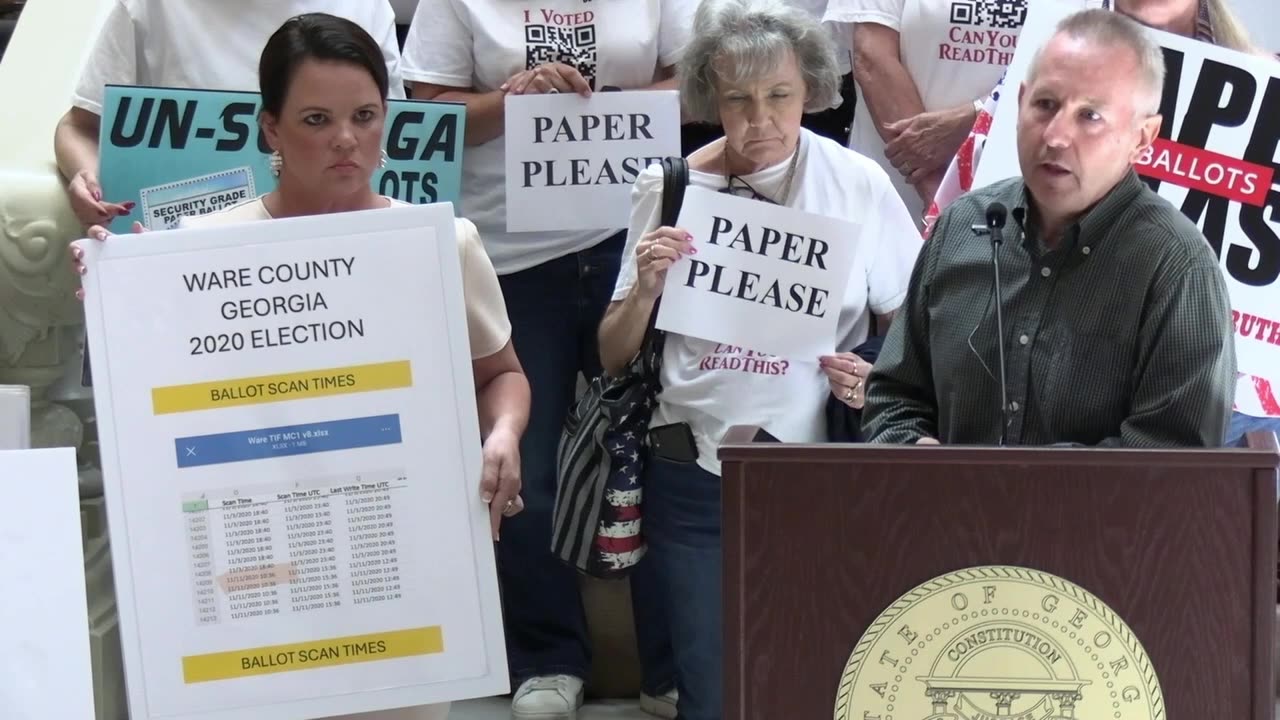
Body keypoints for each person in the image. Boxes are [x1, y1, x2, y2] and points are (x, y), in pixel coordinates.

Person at [70, 14, 529, 720]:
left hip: (396, 601)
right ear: (271, 131)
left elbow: (501, 373)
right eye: (317, 119)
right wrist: (111, 290)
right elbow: (149, 405)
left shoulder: (442, 241)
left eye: (364, 116)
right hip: (245, 605)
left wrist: (501, 436)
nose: (345, 139)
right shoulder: (197, 249)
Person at [598, 0, 922, 716]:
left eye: (779, 96)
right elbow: (614, 353)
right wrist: (647, 288)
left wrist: (878, 375)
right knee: (712, 687)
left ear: (810, 89)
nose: (759, 120)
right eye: (737, 100)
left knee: (820, 666)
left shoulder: (858, 183)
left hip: (819, 467)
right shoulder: (671, 188)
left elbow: (914, 327)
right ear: (710, 99)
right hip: (693, 466)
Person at [397, 0, 695, 716]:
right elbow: (424, 114)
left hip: (633, 244)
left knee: (659, 450)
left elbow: (697, 83)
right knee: (524, 466)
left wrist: (608, 106)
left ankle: (671, 663)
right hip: (510, 255)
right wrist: (513, 100)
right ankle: (546, 660)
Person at [861, 8, 1236, 447]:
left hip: (1089, 519)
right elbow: (892, 396)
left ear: (1142, 137)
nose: (1056, 136)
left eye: (1090, 116)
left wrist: (1015, 488)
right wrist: (916, 452)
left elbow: (1173, 456)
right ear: (1019, 104)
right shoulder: (962, 225)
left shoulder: (1178, 267)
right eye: (1045, 105)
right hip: (946, 513)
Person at [53, 0, 405, 230]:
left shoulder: (365, 6)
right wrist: (88, 179)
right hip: (181, 256)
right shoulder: (151, 6)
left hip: (345, 250)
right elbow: (80, 125)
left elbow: (401, 135)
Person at [823, 0, 1055, 227]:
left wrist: (974, 118)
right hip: (891, 202)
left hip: (1019, 192)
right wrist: (938, 197)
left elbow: (1071, 63)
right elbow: (872, 57)